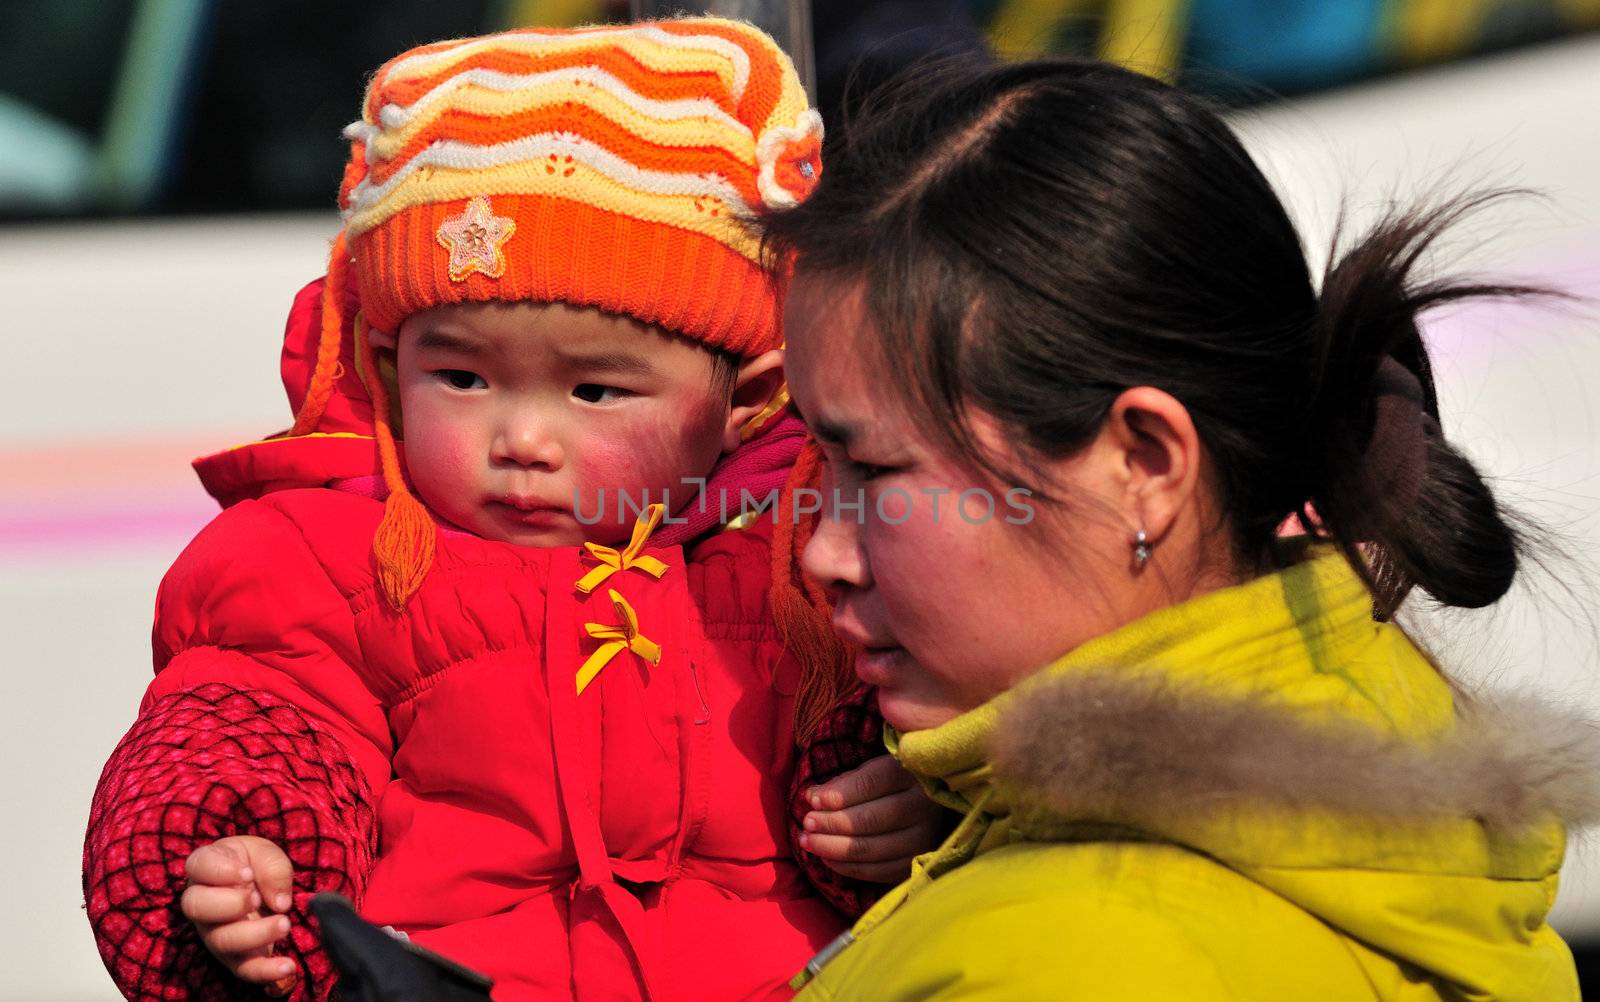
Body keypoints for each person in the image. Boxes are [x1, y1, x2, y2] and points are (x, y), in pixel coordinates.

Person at [82, 19, 945, 1002]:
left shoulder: (808, 554)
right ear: (387, 369)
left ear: (746, 398)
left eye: (594, 394)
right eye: (461, 376)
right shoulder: (339, 561)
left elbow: (942, 710)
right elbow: (257, 716)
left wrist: (901, 812)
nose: (521, 440)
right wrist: (243, 848)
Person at [766, 57, 1597, 1000]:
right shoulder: (1375, 810)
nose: (823, 554)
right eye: (812, 468)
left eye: (873, 470)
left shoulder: (1070, 959)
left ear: (1146, 465)